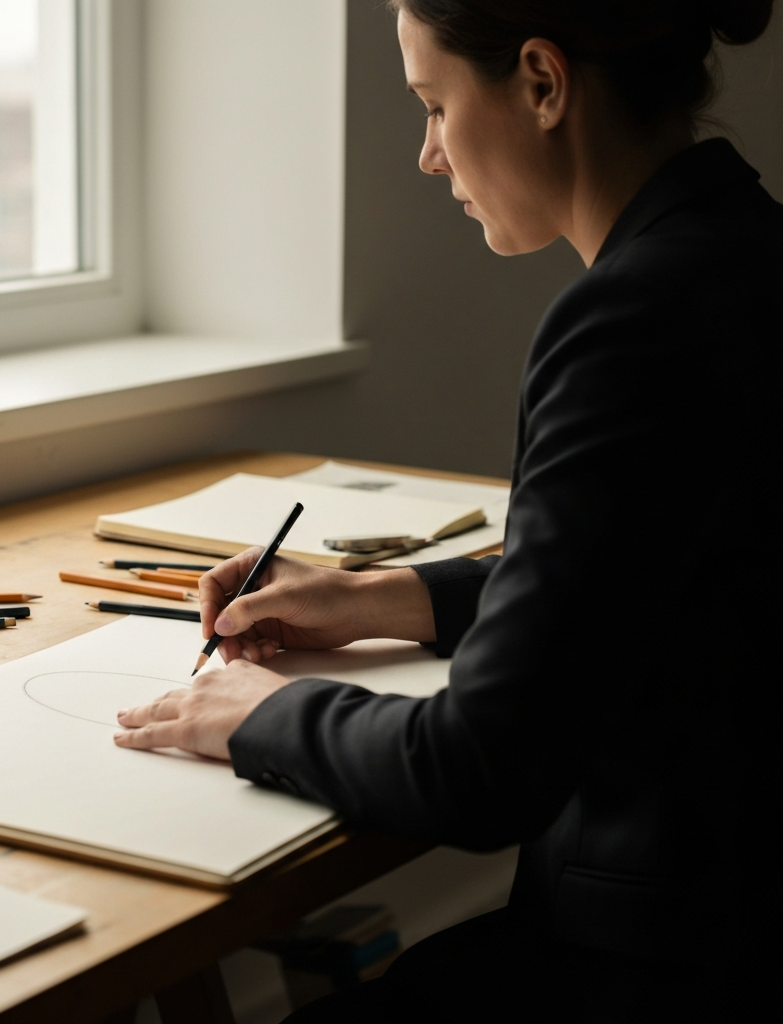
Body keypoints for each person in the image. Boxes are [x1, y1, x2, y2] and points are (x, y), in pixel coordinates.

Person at [115, 1, 782, 1019]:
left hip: (664, 960)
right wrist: (385, 597)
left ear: (542, 83)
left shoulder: (629, 320)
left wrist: (262, 714)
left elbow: (481, 770)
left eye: (433, 106)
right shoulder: (743, 248)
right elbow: (657, 567)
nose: (429, 155)